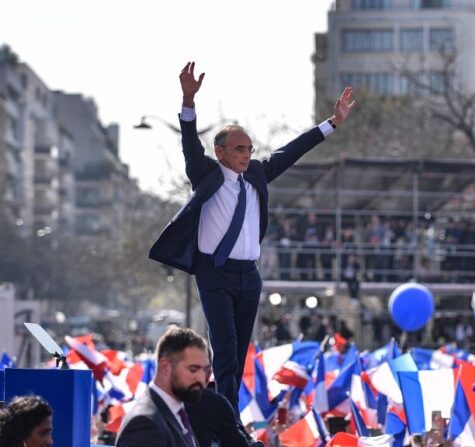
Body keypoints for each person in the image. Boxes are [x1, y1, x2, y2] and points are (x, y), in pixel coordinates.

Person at [149, 62, 356, 411]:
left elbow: (292, 150)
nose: (246, 155)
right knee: (226, 352)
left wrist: (331, 123)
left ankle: (223, 417)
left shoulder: (258, 174)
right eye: (239, 149)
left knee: (239, 355)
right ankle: (226, 425)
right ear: (221, 152)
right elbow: (189, 144)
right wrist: (188, 101)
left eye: (249, 149)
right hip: (215, 273)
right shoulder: (207, 175)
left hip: (249, 276)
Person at [116, 326, 211, 447]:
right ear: (165, 367)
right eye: (193, 369)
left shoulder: (177, 413)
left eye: (206, 370)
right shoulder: (145, 424)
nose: (201, 378)